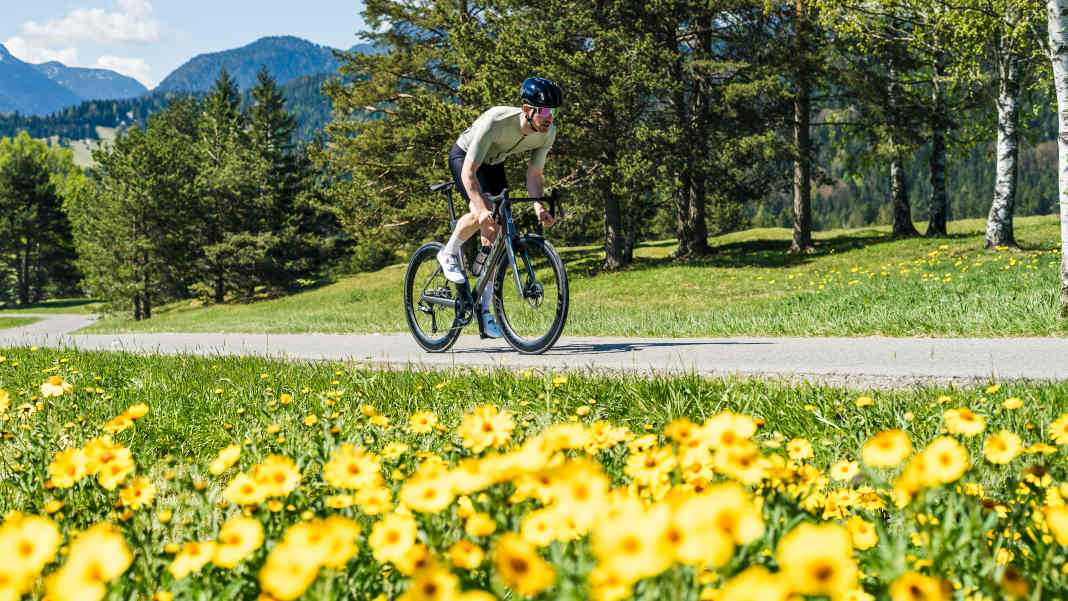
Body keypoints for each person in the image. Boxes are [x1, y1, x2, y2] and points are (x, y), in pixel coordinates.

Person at [437, 76, 561, 338]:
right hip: (465, 158)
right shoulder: (496, 121)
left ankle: (484, 311)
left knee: (497, 230)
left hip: (494, 164)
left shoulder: (547, 133)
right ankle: (448, 253)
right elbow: (469, 173)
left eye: (554, 112)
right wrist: (481, 208)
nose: (550, 117)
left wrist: (539, 207)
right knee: (481, 211)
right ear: (527, 110)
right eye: (544, 111)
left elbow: (535, 175)